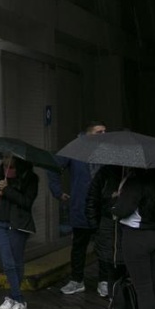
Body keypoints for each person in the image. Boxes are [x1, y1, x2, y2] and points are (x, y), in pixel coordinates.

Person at [48, 120, 107, 295]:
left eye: (105, 132)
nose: (103, 135)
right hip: (81, 206)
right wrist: (58, 192)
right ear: (88, 133)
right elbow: (53, 167)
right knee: (79, 246)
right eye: (99, 132)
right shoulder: (74, 149)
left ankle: (104, 281)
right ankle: (77, 280)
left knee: (104, 245)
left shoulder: (107, 151)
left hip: (102, 207)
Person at [114, 168, 155, 309]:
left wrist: (118, 196)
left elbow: (122, 210)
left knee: (143, 288)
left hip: (137, 238)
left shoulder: (135, 182)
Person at [0, 153, 38, 309]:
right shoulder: (0, 173)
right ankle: (17, 298)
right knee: (7, 262)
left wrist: (8, 189)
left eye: (9, 157)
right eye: (3, 156)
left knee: (16, 262)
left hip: (18, 225)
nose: (5, 160)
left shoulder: (30, 177)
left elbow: (26, 202)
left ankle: (15, 298)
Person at [87, 164, 128, 297]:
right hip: (107, 226)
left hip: (128, 229)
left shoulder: (136, 175)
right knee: (109, 263)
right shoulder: (105, 173)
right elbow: (92, 199)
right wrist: (95, 226)